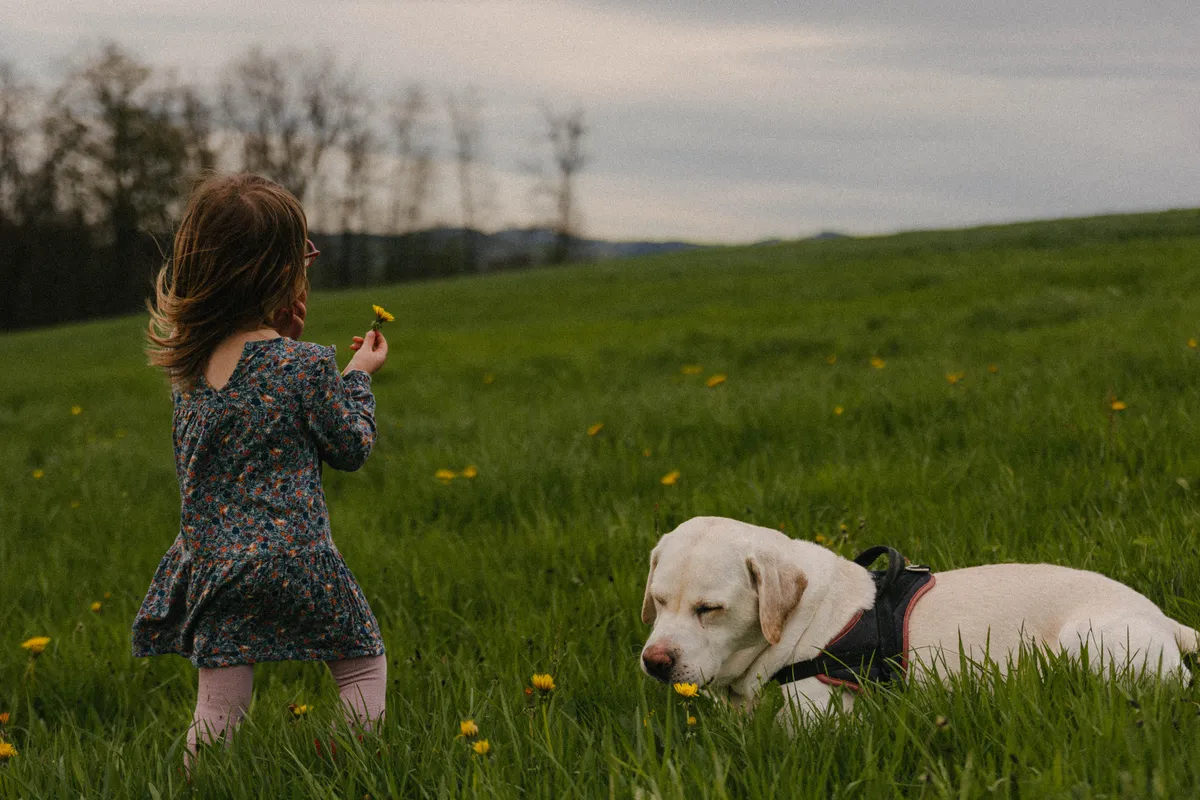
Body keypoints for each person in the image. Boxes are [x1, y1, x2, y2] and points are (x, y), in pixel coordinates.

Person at [131, 173, 389, 765]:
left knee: (219, 706)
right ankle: (346, 767)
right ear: (280, 273)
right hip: (299, 558)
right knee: (360, 667)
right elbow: (350, 446)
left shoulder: (187, 373)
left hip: (216, 567)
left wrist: (282, 341)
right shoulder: (304, 366)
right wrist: (355, 376)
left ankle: (201, 784)